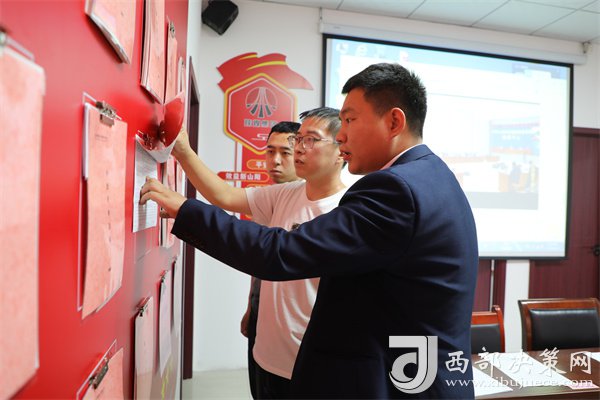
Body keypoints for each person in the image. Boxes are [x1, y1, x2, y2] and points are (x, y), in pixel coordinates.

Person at [141, 63, 478, 399]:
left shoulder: (395, 190)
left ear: (393, 122)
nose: (342, 135)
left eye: (350, 120)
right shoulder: (432, 175)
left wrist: (186, 211)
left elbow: (280, 252)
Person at [170, 108, 347, 399]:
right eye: (299, 139)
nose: (299, 148)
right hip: (266, 353)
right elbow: (225, 196)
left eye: (311, 140)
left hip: (309, 363)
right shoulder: (286, 193)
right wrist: (183, 152)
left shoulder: (347, 211)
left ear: (341, 149)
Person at [240, 121, 301, 399]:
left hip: (291, 329)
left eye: (285, 153)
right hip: (262, 314)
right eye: (269, 151)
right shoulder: (268, 199)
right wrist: (251, 307)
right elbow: (261, 262)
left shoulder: (310, 200)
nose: (275, 161)